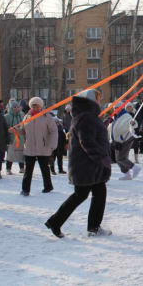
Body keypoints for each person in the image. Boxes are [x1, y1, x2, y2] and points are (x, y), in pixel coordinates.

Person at [45, 89, 112, 238]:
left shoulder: (88, 116)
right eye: (97, 98)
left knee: (95, 193)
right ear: (89, 100)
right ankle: (57, 222)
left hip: (90, 165)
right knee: (81, 195)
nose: (99, 100)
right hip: (87, 165)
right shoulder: (85, 117)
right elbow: (86, 142)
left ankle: (92, 227)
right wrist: (102, 157)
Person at [17, 97, 58, 196]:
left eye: (37, 105)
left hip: (43, 147)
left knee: (45, 169)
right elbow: (23, 131)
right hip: (29, 147)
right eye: (33, 105)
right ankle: (25, 190)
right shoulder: (26, 117)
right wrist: (15, 131)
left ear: (41, 106)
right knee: (28, 170)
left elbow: (54, 131)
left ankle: (48, 187)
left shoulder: (47, 117)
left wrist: (52, 144)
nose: (35, 107)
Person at [109, 102, 141, 180]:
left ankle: (135, 168)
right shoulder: (116, 116)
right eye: (114, 109)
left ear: (120, 108)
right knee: (118, 159)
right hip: (118, 141)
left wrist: (132, 123)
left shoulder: (126, 116)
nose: (115, 110)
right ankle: (127, 174)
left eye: (116, 108)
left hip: (126, 139)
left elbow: (133, 123)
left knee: (121, 158)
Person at [4, 101, 25, 174]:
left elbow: (24, 125)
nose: (16, 108)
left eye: (17, 107)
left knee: (21, 153)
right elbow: (4, 127)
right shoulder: (7, 116)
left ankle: (22, 168)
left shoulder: (22, 115)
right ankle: (8, 169)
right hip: (12, 138)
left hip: (21, 137)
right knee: (10, 153)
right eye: (14, 107)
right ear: (11, 108)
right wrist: (9, 130)